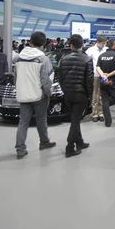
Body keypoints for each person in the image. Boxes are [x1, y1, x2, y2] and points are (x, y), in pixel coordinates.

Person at [13, 31, 56, 160]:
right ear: (44, 43)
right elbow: (46, 80)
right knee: (41, 120)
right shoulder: (43, 59)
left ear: (30, 42)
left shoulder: (19, 58)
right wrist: (48, 93)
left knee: (23, 121)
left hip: (23, 94)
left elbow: (16, 77)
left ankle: (20, 148)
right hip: (39, 95)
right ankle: (44, 142)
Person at [58, 34, 93, 158]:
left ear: (71, 45)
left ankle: (80, 142)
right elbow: (89, 80)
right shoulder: (87, 59)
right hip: (80, 94)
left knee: (75, 118)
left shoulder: (64, 59)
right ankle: (69, 147)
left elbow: (60, 78)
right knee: (75, 120)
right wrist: (90, 96)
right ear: (82, 44)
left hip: (68, 94)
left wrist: (65, 90)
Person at [85, 35, 108, 122]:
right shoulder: (90, 50)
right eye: (103, 43)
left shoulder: (106, 50)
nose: (104, 45)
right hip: (95, 75)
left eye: (105, 43)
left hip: (105, 75)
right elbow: (87, 62)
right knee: (95, 95)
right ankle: (94, 113)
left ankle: (101, 112)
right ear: (98, 42)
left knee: (102, 95)